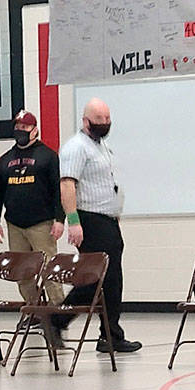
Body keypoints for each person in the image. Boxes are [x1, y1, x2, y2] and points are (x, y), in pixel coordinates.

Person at [57, 98, 141, 354]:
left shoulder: (101, 146)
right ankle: (56, 319)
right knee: (98, 279)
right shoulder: (76, 147)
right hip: (89, 220)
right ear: (86, 121)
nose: (105, 124)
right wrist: (73, 222)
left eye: (107, 119)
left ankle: (109, 334)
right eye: (99, 120)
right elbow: (67, 185)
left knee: (111, 281)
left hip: (106, 220)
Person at [0, 110, 65, 346]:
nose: (20, 131)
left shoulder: (48, 156)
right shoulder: (5, 160)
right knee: (23, 274)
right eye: (17, 127)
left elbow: (58, 190)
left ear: (35, 130)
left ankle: (57, 316)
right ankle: (34, 311)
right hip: (15, 224)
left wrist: (59, 219)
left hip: (41, 223)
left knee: (49, 271)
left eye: (24, 128)